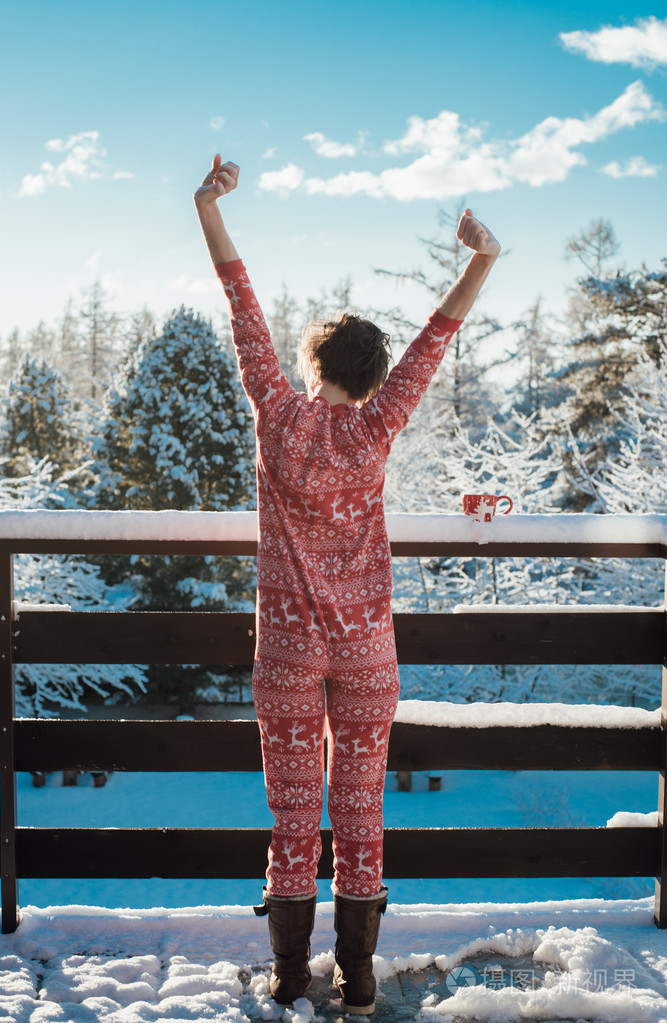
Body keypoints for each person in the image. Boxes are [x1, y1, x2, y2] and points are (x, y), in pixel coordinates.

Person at [195, 155, 500, 1014]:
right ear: (372, 379)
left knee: (295, 816)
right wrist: (480, 257)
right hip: (367, 653)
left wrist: (208, 206)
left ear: (311, 364)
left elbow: (240, 302)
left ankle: (291, 981)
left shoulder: (278, 413)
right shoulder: (377, 428)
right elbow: (435, 339)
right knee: (360, 814)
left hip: (288, 654)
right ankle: (358, 981)